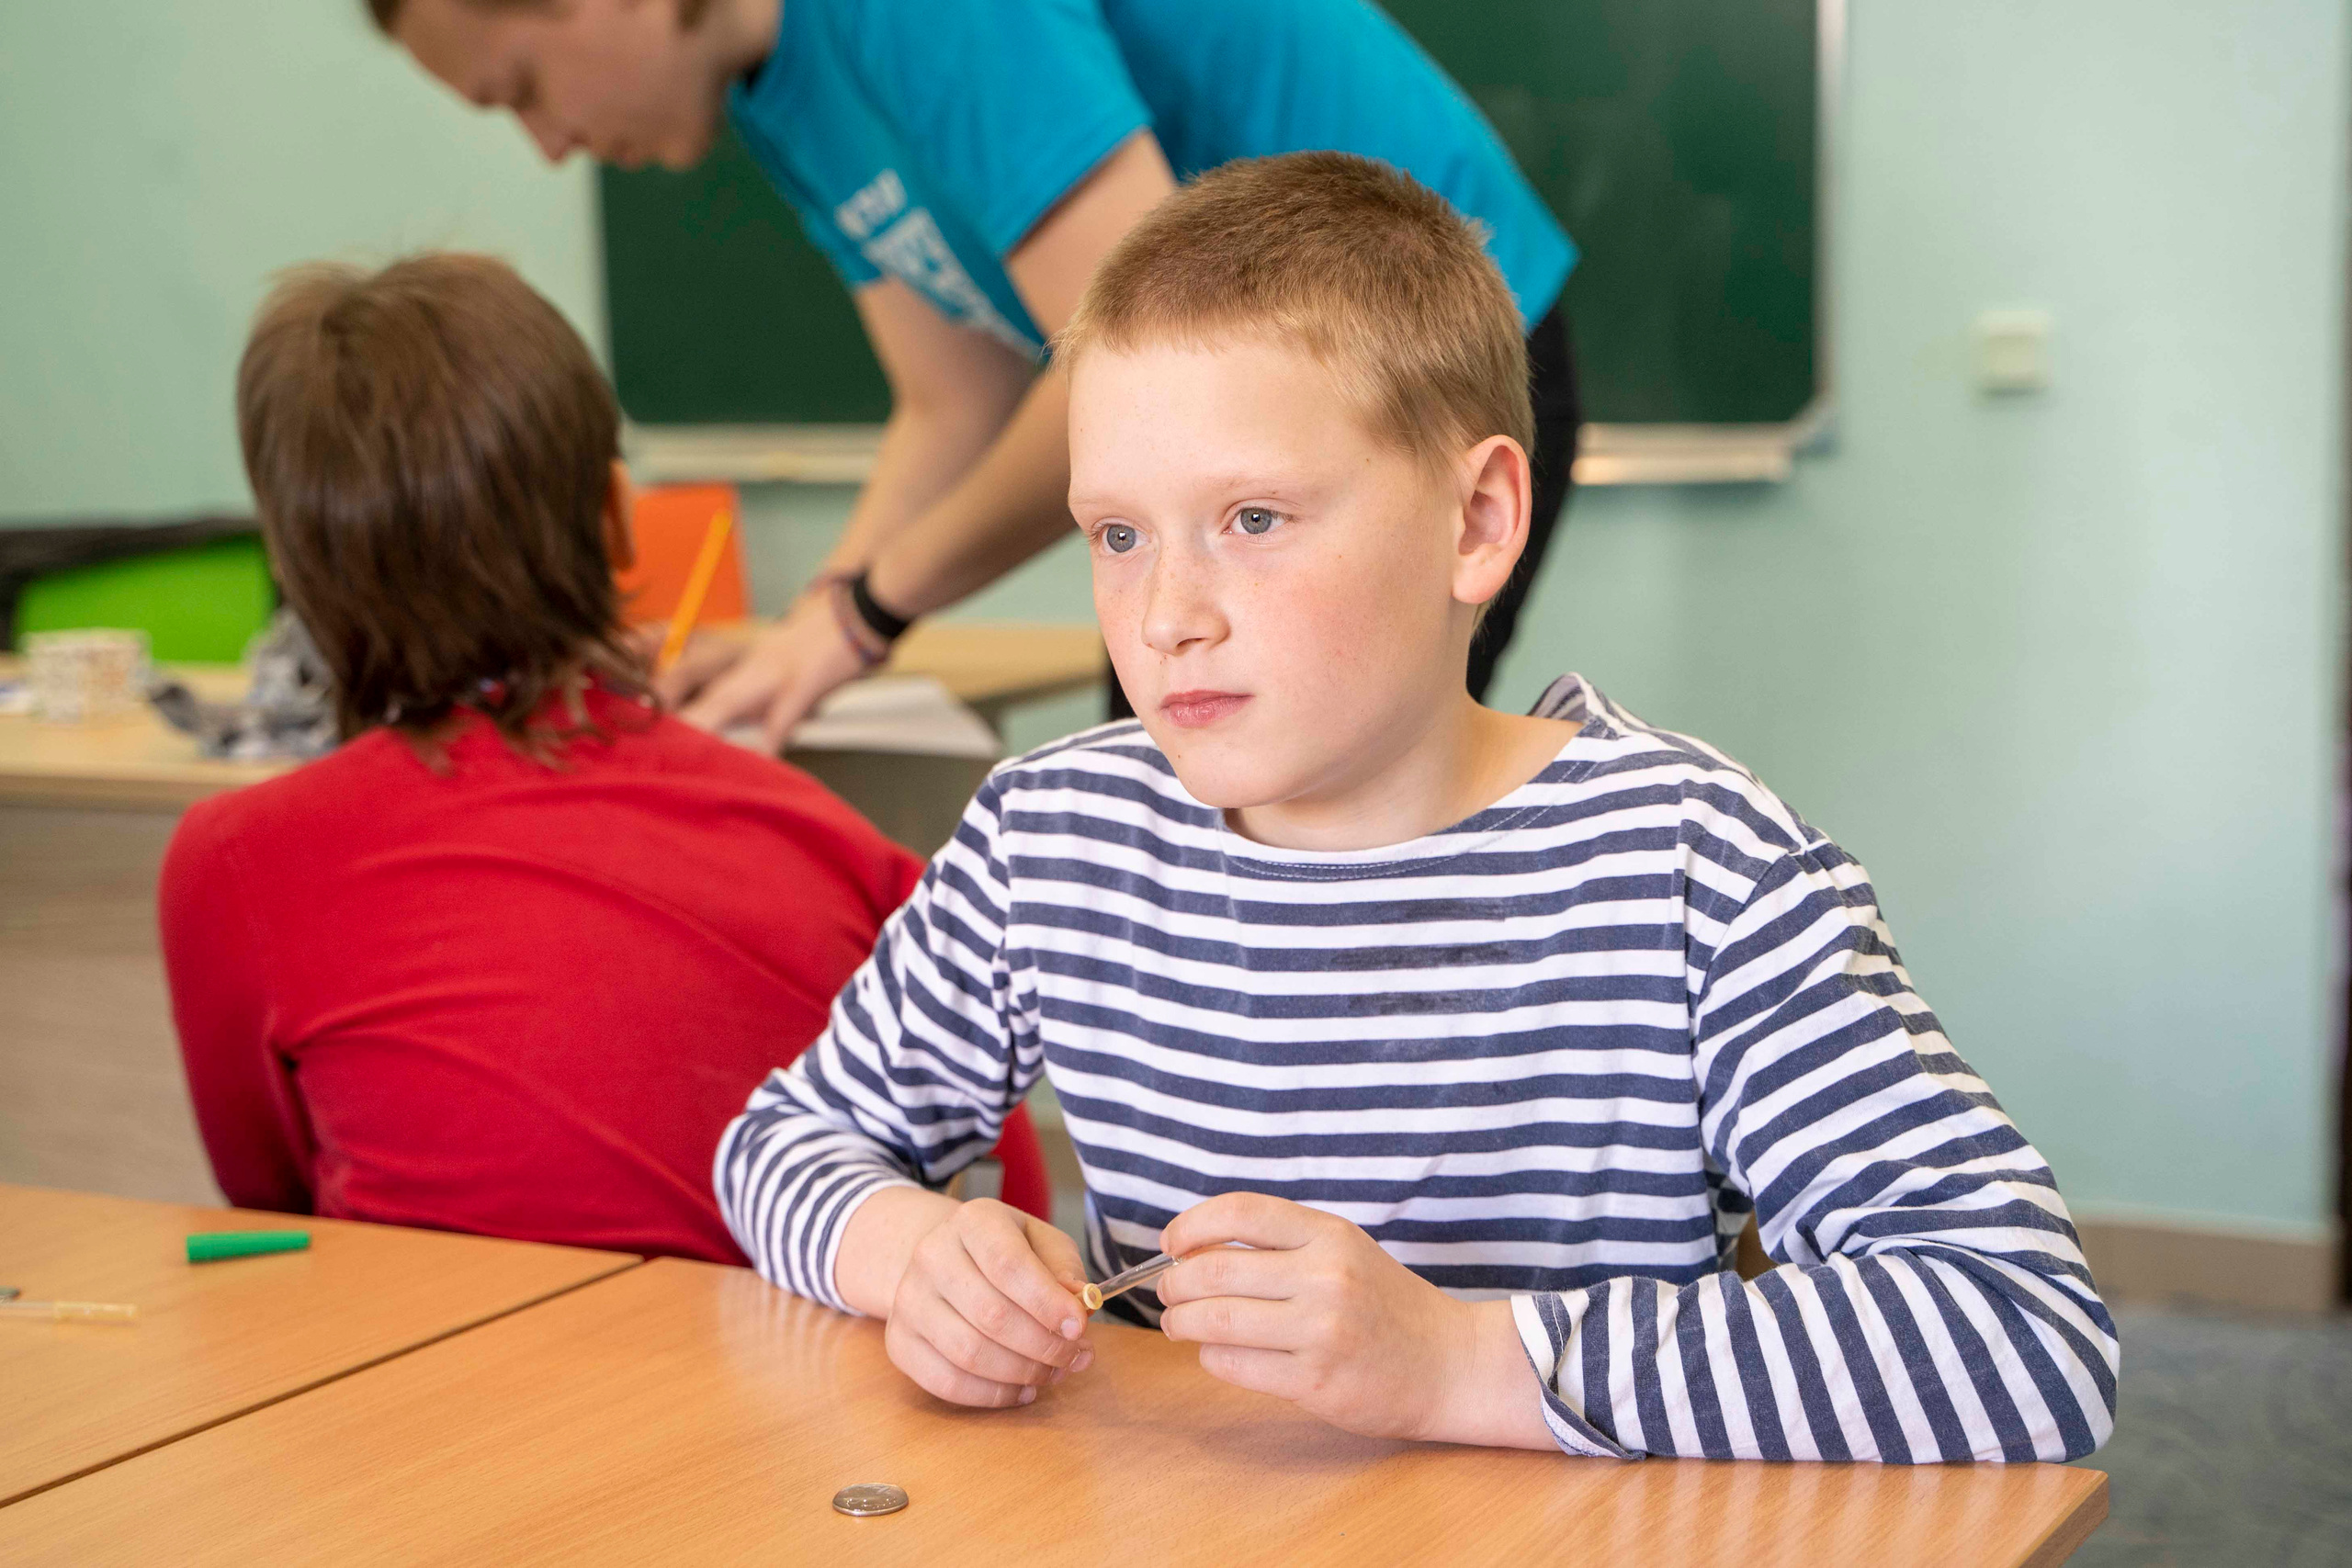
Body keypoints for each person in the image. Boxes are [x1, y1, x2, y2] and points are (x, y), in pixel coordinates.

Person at [714, 155, 2117, 1461]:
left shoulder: (1695, 865)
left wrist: (1456, 1359)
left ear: (1477, 523)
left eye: (1254, 519)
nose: (1165, 616)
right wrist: (909, 1251)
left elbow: (2026, 1330)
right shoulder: (1054, 839)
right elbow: (779, 1143)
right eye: (1117, 534)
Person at [373, 0, 1582, 746]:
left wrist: (864, 614)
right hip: (1244, 431)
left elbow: (1130, 369)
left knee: (1267, 828)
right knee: (1189, 831)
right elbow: (951, 395)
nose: (546, 144)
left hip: (1426, 365)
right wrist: (820, 619)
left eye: (522, 88)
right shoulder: (773, 84)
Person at [160, 254, 1046, 1263]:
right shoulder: (834, 845)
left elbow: (274, 1203)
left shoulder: (234, 862)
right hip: (809, 1393)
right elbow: (1000, 1202)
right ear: (621, 519)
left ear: (293, 568)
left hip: (432, 1397)